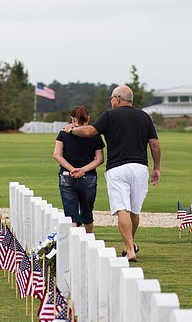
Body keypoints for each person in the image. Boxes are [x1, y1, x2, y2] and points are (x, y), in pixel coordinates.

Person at [61, 85, 161, 262]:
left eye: (111, 98)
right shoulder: (144, 116)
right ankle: (129, 244)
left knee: (123, 208)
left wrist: (71, 130)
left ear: (117, 98)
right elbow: (154, 144)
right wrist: (157, 168)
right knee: (134, 210)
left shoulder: (109, 115)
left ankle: (130, 249)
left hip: (117, 168)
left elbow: (90, 131)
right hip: (140, 168)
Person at [53, 106, 105, 233]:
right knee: (87, 213)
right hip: (88, 177)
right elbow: (99, 159)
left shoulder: (63, 133)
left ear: (72, 118)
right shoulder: (94, 135)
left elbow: (57, 154)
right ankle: (88, 239)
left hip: (67, 175)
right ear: (88, 118)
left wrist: (72, 169)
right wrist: (82, 170)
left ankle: (74, 245)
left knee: (71, 215)